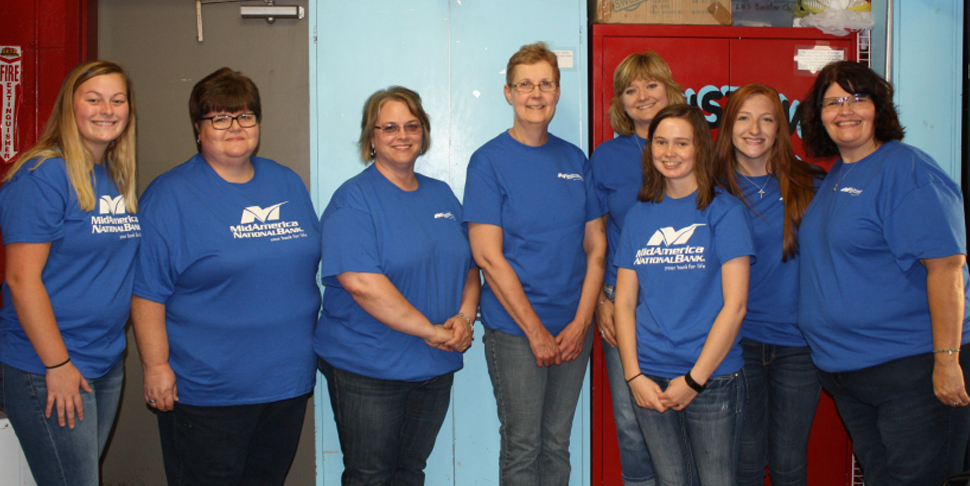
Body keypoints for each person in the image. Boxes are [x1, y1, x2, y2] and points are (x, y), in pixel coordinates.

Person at [130, 67, 320, 486]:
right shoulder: (170, 196)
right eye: (219, 117)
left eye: (245, 116)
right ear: (199, 129)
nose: (235, 127)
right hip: (208, 389)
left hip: (285, 382)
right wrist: (156, 365)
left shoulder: (286, 182)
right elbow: (147, 293)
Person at [796, 60, 970, 486]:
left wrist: (947, 361)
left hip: (908, 373)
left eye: (858, 98)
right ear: (818, 115)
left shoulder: (907, 168)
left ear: (879, 108)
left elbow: (947, 269)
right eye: (833, 101)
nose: (846, 110)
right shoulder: (838, 174)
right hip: (849, 375)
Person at [316, 86, 479, 486]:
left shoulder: (440, 193)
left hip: (434, 363)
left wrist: (464, 316)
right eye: (388, 127)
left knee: (410, 472)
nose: (401, 135)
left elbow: (470, 265)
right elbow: (362, 283)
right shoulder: (353, 200)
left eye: (411, 125)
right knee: (370, 475)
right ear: (371, 138)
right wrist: (433, 331)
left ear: (423, 132)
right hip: (368, 366)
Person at [463, 41, 607, 486]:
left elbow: (596, 247)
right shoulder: (488, 162)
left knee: (557, 444)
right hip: (515, 333)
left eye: (546, 83)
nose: (536, 93)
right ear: (508, 93)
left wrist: (582, 323)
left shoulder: (574, 159)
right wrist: (536, 331)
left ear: (558, 92)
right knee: (524, 446)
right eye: (525, 84)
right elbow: (488, 255)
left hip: (572, 330)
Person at [0, 60, 138, 486]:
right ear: (69, 107)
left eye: (117, 100)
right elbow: (21, 280)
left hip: (104, 360)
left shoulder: (113, 176)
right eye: (92, 99)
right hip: (49, 365)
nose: (106, 109)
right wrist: (56, 363)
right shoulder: (41, 175)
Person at [613, 104, 754, 486]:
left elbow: (735, 307)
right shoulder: (639, 216)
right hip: (650, 376)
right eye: (660, 142)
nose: (669, 152)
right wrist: (633, 375)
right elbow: (624, 302)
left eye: (681, 143)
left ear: (699, 150)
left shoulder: (724, 212)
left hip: (713, 379)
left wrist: (694, 380)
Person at [713, 83, 826, 486]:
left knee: (789, 464)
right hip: (736, 345)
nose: (755, 128)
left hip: (798, 345)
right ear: (728, 126)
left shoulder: (811, 182)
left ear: (781, 128)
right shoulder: (710, 189)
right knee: (743, 462)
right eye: (744, 117)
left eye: (766, 119)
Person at [590, 51, 685, 486]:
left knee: (689, 418)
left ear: (669, 89)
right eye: (631, 89)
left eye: (651, 85)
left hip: (688, 304)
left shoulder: (700, 150)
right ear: (620, 103)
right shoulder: (606, 157)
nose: (642, 96)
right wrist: (601, 302)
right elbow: (593, 240)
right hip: (622, 304)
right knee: (631, 426)